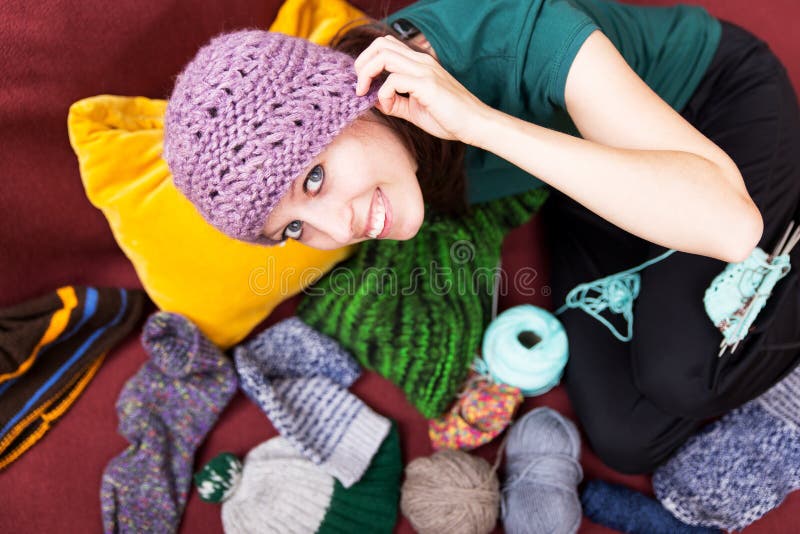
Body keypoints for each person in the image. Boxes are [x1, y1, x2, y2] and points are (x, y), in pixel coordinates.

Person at [162, 0, 800, 474]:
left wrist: (477, 123)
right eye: (294, 229)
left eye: (315, 177)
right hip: (584, 187)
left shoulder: (509, 32)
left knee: (681, 377)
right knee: (625, 436)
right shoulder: (391, 150)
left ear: (348, 97)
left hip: (710, 117)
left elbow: (731, 223)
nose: (338, 228)